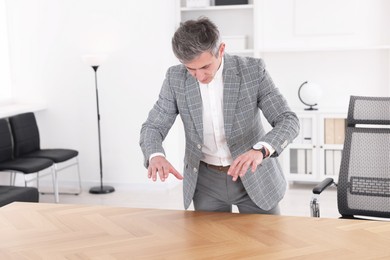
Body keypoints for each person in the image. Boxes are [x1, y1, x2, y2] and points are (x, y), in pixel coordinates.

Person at [140, 17, 299, 214]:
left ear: (221, 50)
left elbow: (287, 120)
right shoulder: (175, 78)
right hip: (206, 182)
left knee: (266, 243)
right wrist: (155, 155)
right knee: (211, 244)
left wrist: (261, 151)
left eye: (205, 67)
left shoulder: (253, 70)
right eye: (191, 69)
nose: (199, 76)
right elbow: (153, 126)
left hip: (254, 175)